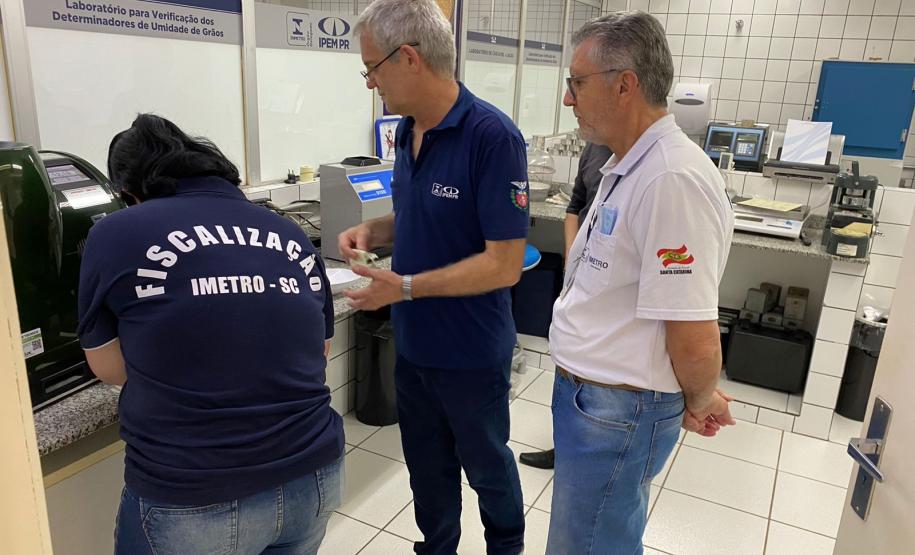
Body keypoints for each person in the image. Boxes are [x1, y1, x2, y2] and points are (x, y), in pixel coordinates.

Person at [77, 114, 344, 555]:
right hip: (313, 475)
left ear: (129, 191)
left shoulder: (113, 232)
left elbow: (108, 367)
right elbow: (319, 350)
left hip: (192, 494)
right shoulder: (286, 231)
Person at [338, 1, 528, 552]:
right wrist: (375, 230)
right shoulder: (405, 131)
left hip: (470, 351)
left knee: (487, 467)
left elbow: (505, 262)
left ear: (410, 58)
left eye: (372, 67)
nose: (370, 82)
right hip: (415, 346)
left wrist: (405, 287)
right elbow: (425, 213)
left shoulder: (492, 136)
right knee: (427, 469)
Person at [546, 12, 737, 554]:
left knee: (586, 546)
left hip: (618, 411)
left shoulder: (670, 177)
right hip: (597, 401)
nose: (568, 99)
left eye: (576, 84)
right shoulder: (629, 164)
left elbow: (692, 324)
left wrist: (699, 396)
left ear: (624, 84)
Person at [518, 141, 612, 471]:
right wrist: (572, 259)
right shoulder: (595, 148)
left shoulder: (646, 156)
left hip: (615, 287)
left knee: (601, 375)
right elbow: (575, 207)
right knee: (568, 366)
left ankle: (594, 455)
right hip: (582, 276)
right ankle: (565, 449)